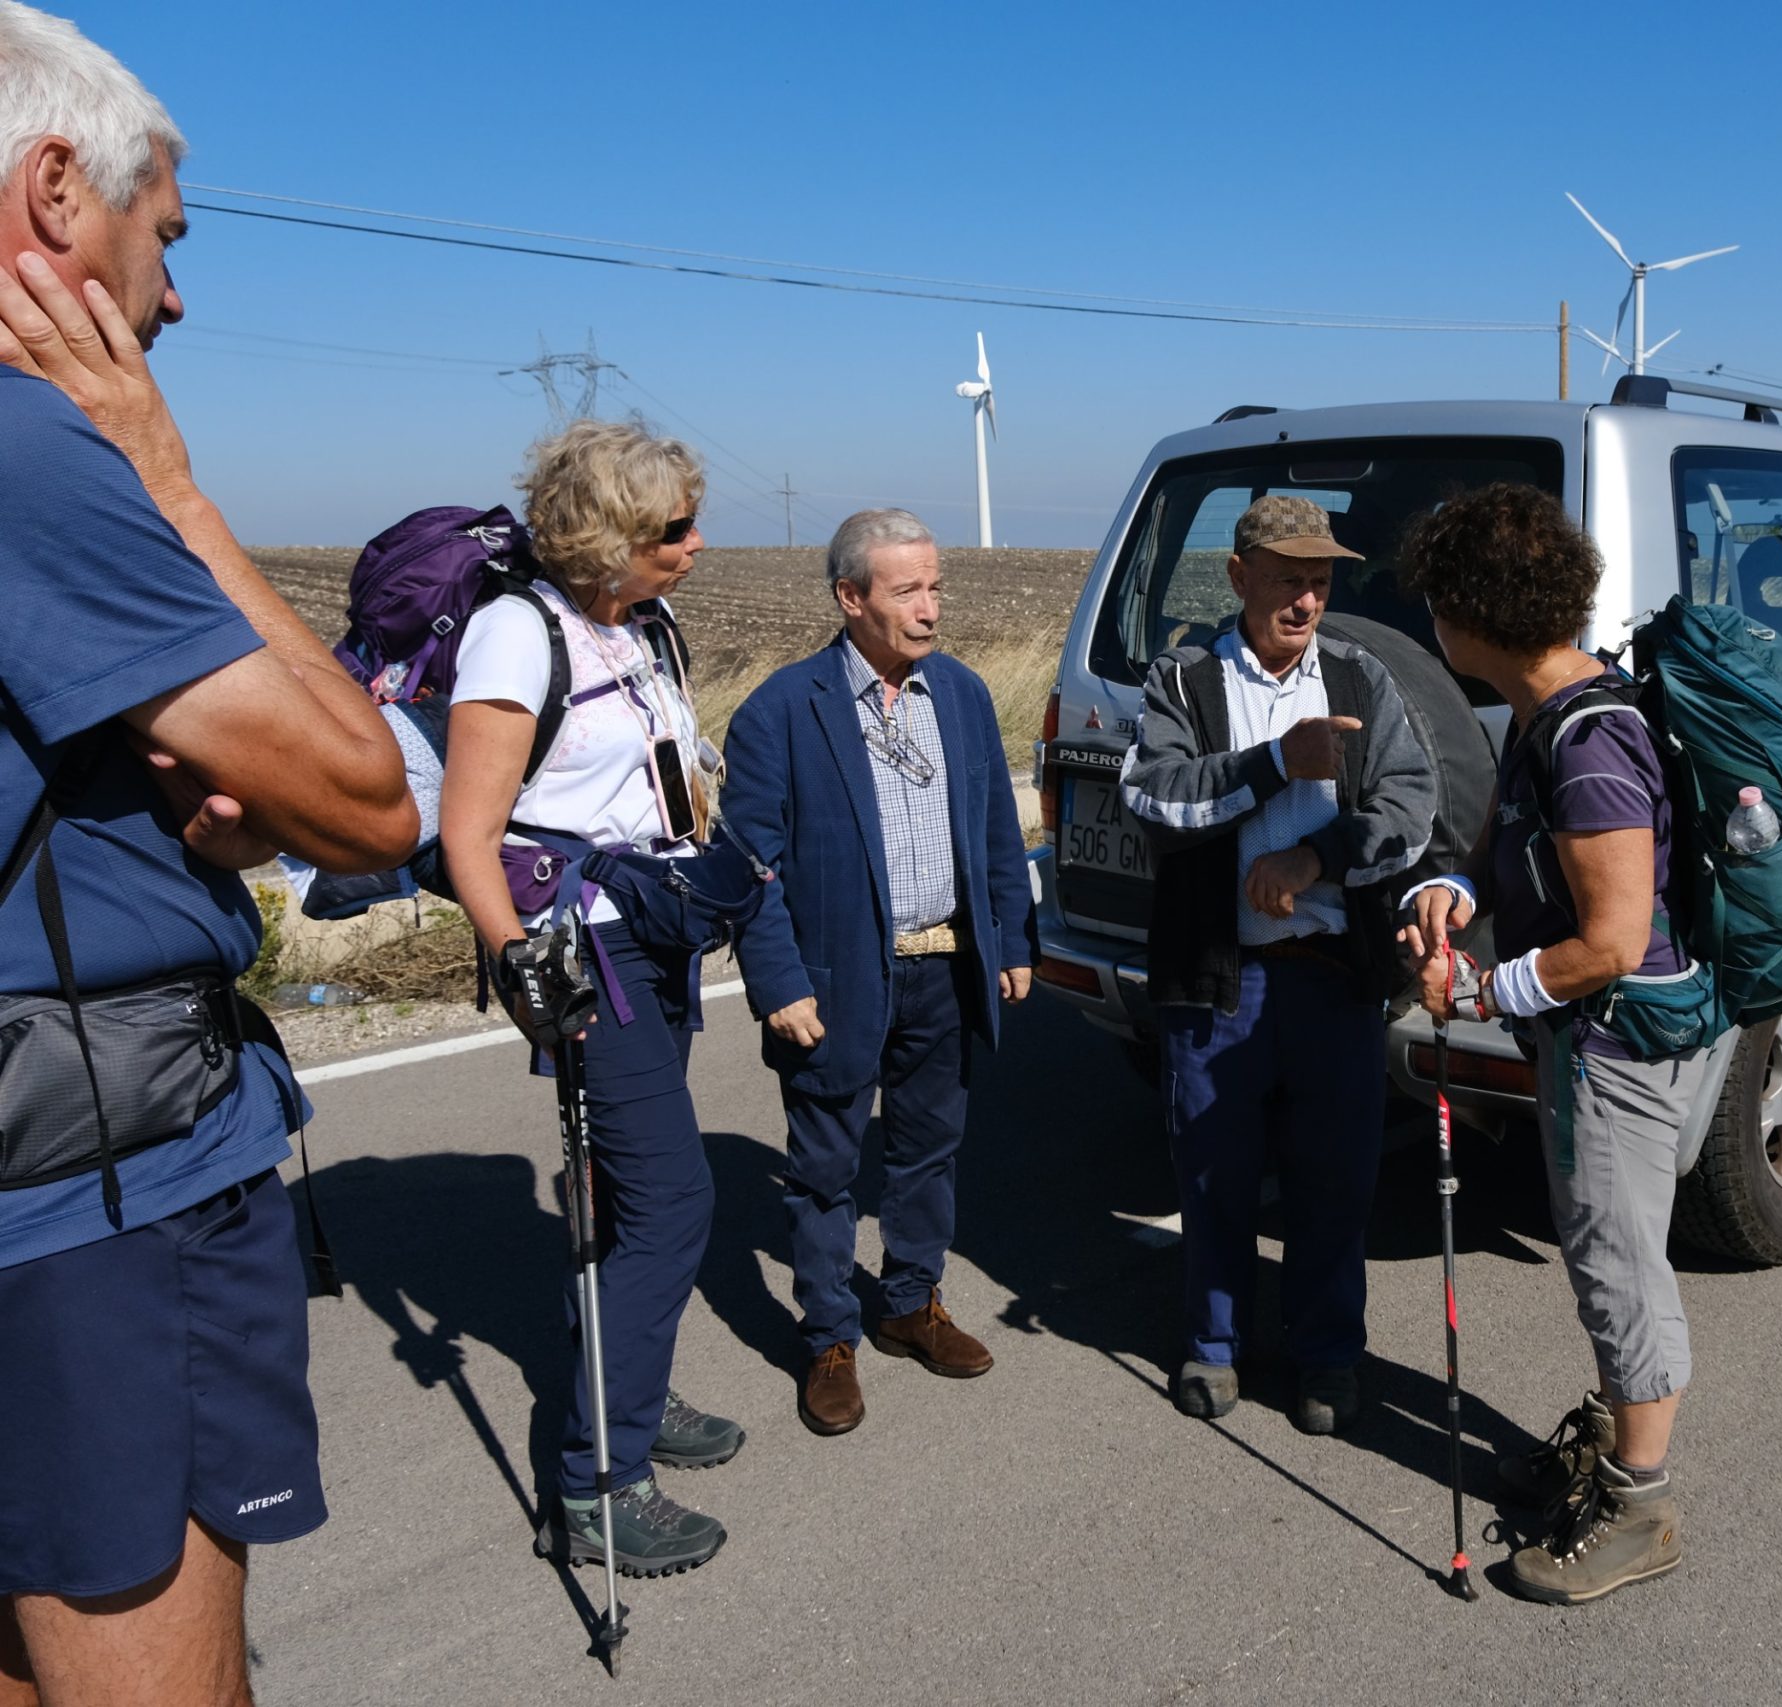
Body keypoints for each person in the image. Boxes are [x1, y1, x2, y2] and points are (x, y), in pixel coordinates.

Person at [0, 7, 418, 1699]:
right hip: (93, 1199)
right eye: (161, 234)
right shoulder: (34, 453)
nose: (171, 294)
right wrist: (165, 477)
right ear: (54, 193)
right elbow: (367, 800)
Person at [441, 419, 743, 1578]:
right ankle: (595, 1484)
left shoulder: (642, 623)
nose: (696, 543)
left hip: (655, 929)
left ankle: (634, 1393)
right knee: (672, 1201)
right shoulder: (518, 635)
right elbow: (468, 834)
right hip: (584, 952)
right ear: (608, 537)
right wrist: (517, 959)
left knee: (624, 1199)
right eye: (674, 528)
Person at [1399, 483, 1711, 1605]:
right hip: (1580, 1037)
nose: (1432, 622)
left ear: (1471, 617)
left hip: (1614, 1043)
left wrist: (1482, 990)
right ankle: (1616, 1438)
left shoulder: (1589, 743)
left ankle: (1641, 1506)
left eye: (1438, 602)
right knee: (1602, 1251)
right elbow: (1502, 852)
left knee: (1617, 1263)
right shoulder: (1546, 713)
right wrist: (1449, 892)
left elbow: (1613, 941)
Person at [1119, 494, 1436, 1433]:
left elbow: (1411, 805)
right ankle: (1214, 1346)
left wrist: (1316, 859)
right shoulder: (1185, 681)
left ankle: (1326, 1356)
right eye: (1288, 579)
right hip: (1219, 982)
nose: (1306, 600)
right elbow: (1152, 798)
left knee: (1334, 1180)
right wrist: (1272, 763)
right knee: (1214, 1173)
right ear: (1238, 576)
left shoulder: (1360, 677)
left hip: (1333, 977)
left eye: (1321, 581)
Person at [722, 509, 1035, 1437]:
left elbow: (996, 828)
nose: (931, 608)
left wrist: (1012, 938)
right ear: (850, 597)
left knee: (929, 1147)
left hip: (945, 963)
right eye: (909, 590)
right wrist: (778, 981)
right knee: (824, 1167)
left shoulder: (962, 694)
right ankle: (829, 1336)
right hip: (837, 978)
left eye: (936, 587)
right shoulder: (783, 709)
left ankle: (910, 1302)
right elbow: (748, 865)